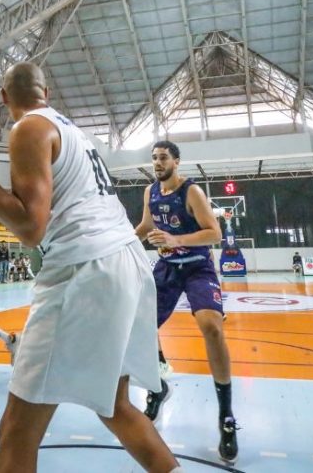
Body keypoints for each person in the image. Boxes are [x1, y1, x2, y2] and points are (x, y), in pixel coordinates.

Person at [0, 62, 179, 473]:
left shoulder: (28, 129)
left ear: (4, 98)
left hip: (86, 269)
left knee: (16, 431)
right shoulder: (76, 133)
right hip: (127, 260)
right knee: (115, 406)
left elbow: (29, 227)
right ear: (48, 91)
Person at [134, 140, 238, 462]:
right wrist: (119, 243)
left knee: (211, 326)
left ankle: (226, 417)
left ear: (176, 161)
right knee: (138, 322)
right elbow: (146, 227)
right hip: (167, 267)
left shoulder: (191, 191)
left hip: (197, 266)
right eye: (154, 158)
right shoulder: (151, 192)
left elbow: (214, 233)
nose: (157, 162)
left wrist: (175, 239)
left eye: (163, 157)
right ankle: (157, 387)